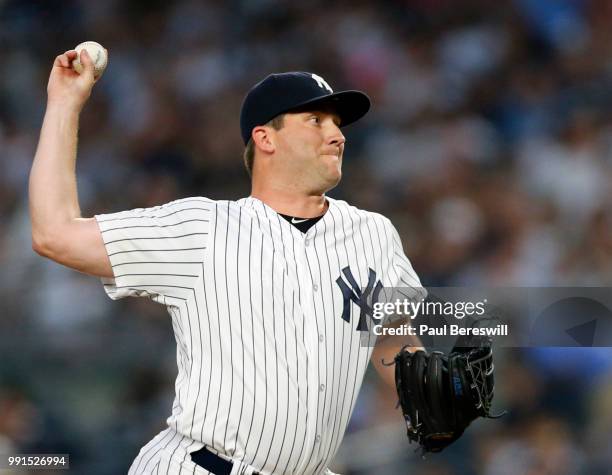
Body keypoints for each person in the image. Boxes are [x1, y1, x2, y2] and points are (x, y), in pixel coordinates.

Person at [29, 49, 425, 474]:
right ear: (265, 138)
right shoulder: (204, 228)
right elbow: (55, 234)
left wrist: (432, 394)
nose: (337, 135)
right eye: (316, 120)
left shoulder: (375, 234)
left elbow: (389, 335)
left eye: (337, 123)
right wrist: (64, 103)